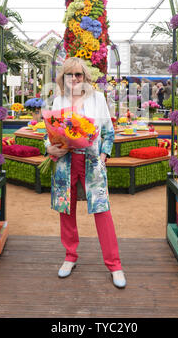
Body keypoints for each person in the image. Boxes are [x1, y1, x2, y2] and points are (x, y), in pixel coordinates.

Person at [44, 57, 126, 288]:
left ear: (85, 77)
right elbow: (47, 132)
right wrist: (49, 147)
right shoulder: (57, 100)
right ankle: (70, 256)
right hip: (64, 164)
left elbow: (108, 133)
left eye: (78, 75)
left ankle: (114, 265)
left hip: (91, 163)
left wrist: (102, 157)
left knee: (103, 212)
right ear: (63, 78)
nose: (74, 79)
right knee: (66, 211)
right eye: (69, 75)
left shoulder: (98, 99)